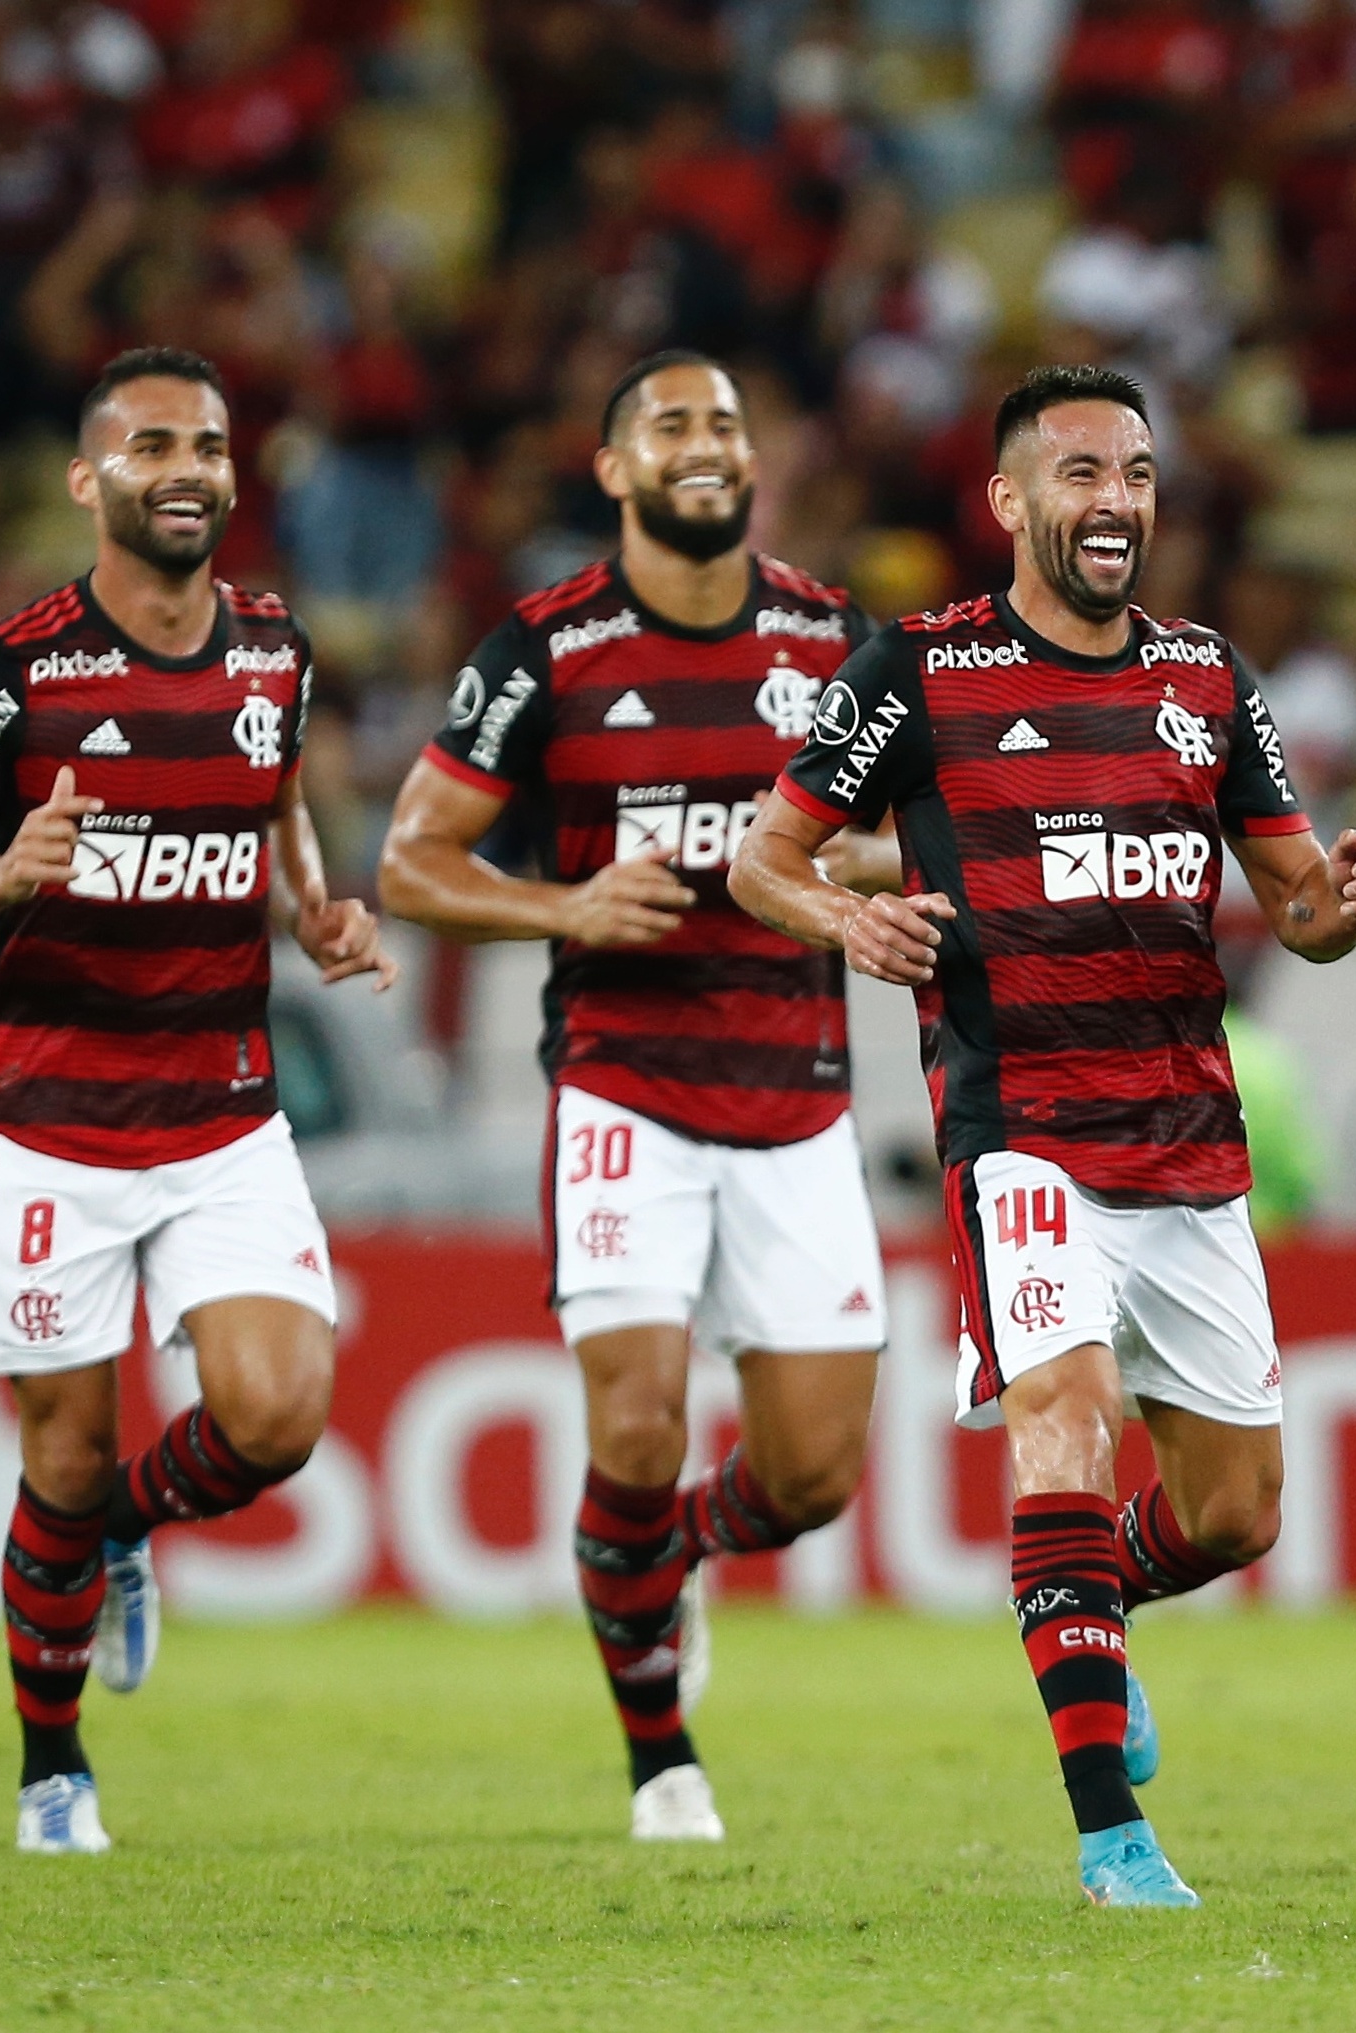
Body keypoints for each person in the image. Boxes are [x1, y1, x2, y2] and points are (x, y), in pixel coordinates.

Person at [730, 363, 1356, 1907]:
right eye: (1082, 475)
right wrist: (849, 915)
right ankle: (1112, 1833)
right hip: (1018, 1126)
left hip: (1182, 1134)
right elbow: (761, 861)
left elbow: (1295, 907)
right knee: (1065, 1411)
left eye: (1137, 476)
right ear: (1009, 500)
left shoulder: (1204, 679)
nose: (1115, 503)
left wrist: (1347, 897)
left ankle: (1084, 1606)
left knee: (1238, 1513)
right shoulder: (912, 668)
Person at [0, 347, 393, 1857]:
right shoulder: (16, 668)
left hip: (225, 1108)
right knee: (60, 1452)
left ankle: (118, 1535)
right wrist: (2, 875)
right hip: (52, 1114)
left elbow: (282, 793)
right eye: (152, 443)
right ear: (87, 479)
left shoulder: (272, 650)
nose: (187, 467)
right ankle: (53, 1767)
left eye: (210, 444)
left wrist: (315, 906)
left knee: (279, 1409)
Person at [378, 350, 890, 1844]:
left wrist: (829, 866)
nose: (704, 444)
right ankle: (660, 1754)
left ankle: (673, 1553)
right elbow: (413, 863)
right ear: (612, 469)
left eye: (726, 420)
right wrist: (566, 909)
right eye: (670, 424)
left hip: (796, 1093)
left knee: (807, 1477)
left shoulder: (829, 634)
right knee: (636, 1421)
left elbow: (902, 836)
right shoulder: (543, 650)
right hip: (624, 1088)